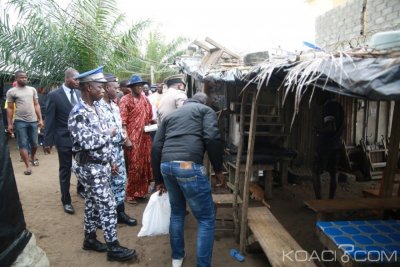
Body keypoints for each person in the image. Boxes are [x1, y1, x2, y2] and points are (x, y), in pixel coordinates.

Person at [68, 66, 136, 262]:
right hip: (89, 167)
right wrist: (109, 134)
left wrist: (111, 159)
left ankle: (89, 239)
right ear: (89, 87)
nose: (103, 90)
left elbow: (104, 132)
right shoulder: (79, 112)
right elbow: (88, 142)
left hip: (101, 165)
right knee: (107, 204)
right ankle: (113, 247)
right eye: (100, 87)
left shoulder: (96, 108)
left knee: (92, 204)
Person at [151, 92, 224, 267]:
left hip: (167, 167)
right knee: (206, 219)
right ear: (205, 102)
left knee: (177, 213)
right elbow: (212, 138)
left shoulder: (170, 116)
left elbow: (156, 146)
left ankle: (177, 258)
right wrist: (218, 169)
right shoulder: (205, 111)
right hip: (187, 167)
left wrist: (158, 179)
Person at [96, 73, 137, 226]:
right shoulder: (96, 107)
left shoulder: (114, 105)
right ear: (106, 88)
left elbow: (119, 126)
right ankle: (103, 217)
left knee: (119, 182)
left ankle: (120, 213)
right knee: (105, 184)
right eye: (115, 87)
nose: (118, 89)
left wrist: (125, 138)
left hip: (118, 150)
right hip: (105, 152)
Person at [44, 68, 85, 214]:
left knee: (81, 166)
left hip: (80, 139)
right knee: (65, 170)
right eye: (76, 79)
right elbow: (49, 119)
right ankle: (66, 200)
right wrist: (47, 141)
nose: (78, 82)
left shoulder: (80, 94)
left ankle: (81, 189)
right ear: (67, 78)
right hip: (63, 139)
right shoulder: (54, 96)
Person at [119, 74, 154, 204]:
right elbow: (122, 122)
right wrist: (126, 139)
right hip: (132, 138)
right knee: (134, 166)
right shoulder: (125, 100)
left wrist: (153, 124)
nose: (140, 88)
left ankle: (141, 192)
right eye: (137, 86)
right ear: (131, 87)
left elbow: (150, 116)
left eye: (141, 85)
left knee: (144, 165)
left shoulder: (145, 99)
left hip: (145, 137)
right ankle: (130, 194)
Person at [6, 70, 43, 175]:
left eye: (26, 77)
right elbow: (9, 108)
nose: (24, 79)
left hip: (33, 120)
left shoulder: (32, 90)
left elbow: (36, 105)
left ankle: (32, 157)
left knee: (35, 143)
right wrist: (9, 124)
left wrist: (40, 119)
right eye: (22, 77)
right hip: (20, 121)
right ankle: (27, 166)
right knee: (23, 144)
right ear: (16, 79)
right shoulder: (11, 92)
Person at [312, 92, 344, 200]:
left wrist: (318, 130)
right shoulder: (339, 107)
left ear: (324, 95)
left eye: (317, 95)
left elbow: (331, 127)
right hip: (336, 145)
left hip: (325, 146)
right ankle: (331, 201)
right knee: (334, 173)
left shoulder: (328, 107)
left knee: (316, 173)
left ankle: (319, 201)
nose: (316, 99)